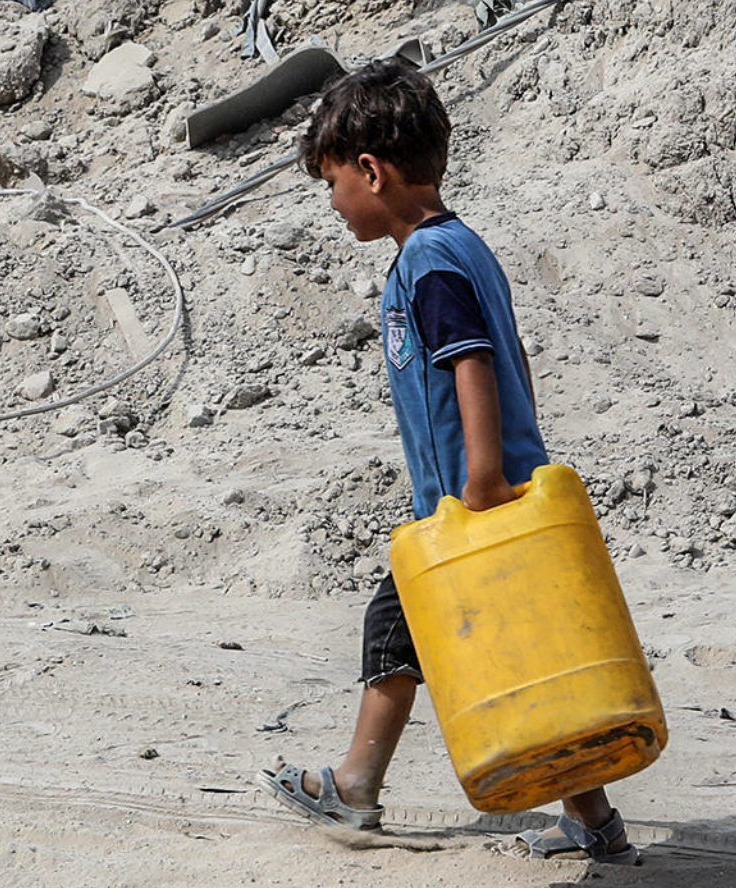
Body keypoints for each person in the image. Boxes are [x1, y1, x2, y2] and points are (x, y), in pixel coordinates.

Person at [258, 59, 638, 865]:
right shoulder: (463, 246)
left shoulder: (429, 261)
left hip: (470, 506)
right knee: (534, 658)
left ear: (372, 171)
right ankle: (595, 820)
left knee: (394, 628)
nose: (332, 204)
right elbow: (515, 358)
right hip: (497, 496)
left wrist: (483, 480)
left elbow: (471, 362)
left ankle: (356, 785)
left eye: (332, 185)